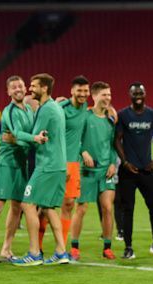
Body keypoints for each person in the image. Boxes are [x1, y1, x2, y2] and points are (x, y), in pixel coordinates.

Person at [6, 73, 68, 266]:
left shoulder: (46, 110)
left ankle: (34, 253)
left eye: (34, 86)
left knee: (27, 203)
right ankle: (61, 252)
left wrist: (15, 139)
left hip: (47, 165)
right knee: (49, 208)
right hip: (58, 164)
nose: (30, 89)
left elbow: (35, 137)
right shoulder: (55, 107)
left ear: (45, 88)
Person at [0, 76, 33, 264]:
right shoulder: (9, 111)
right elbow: (17, 135)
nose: (18, 89)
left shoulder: (28, 110)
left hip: (21, 164)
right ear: (8, 92)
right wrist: (33, 139)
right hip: (5, 164)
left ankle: (6, 248)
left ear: (25, 88)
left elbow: (20, 138)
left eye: (20, 85)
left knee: (17, 207)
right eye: (14, 87)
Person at [115, 82, 153, 260]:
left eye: (140, 93)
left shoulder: (152, 114)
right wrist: (124, 162)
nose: (138, 95)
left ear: (145, 94)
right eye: (134, 93)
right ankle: (128, 247)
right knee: (127, 209)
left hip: (147, 170)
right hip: (128, 172)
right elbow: (117, 140)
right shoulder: (123, 115)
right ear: (130, 96)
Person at [69, 82, 117, 260]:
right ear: (94, 96)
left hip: (106, 171)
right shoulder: (86, 117)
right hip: (87, 170)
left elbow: (112, 145)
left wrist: (113, 163)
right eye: (104, 95)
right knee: (81, 208)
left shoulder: (111, 120)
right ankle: (74, 246)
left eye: (109, 95)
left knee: (107, 208)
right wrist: (83, 151)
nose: (108, 98)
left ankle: (107, 247)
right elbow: (75, 139)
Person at [56, 76, 90, 249]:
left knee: (68, 205)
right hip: (57, 162)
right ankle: (37, 247)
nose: (83, 94)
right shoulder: (60, 108)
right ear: (72, 91)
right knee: (45, 206)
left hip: (74, 164)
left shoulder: (85, 108)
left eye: (85, 91)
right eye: (79, 90)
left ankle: (61, 247)